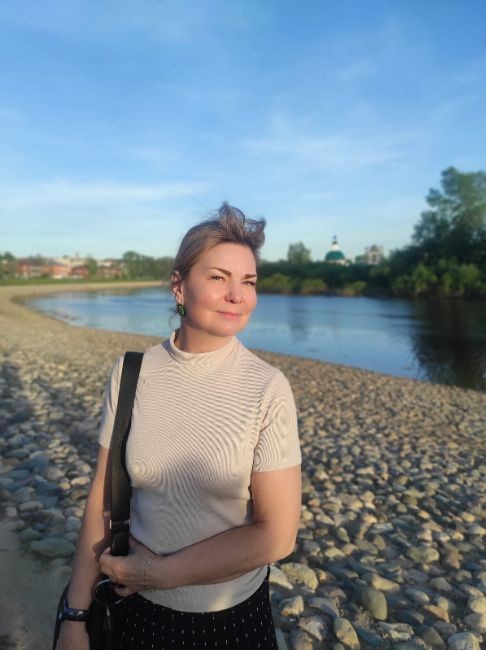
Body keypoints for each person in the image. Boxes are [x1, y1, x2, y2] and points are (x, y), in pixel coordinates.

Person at [57, 203, 302, 649]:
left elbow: (277, 535)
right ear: (179, 286)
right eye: (219, 277)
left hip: (230, 620)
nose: (238, 295)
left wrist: (160, 573)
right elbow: (102, 501)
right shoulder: (131, 373)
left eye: (248, 281)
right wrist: (75, 617)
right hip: (134, 611)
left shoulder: (267, 388)